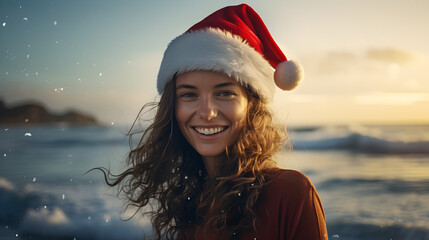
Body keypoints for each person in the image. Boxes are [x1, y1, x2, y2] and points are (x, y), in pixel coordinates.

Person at [102, 4, 328, 240]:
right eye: (189, 94)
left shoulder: (292, 192)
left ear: (252, 105)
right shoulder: (189, 205)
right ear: (172, 107)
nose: (207, 112)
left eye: (225, 93)